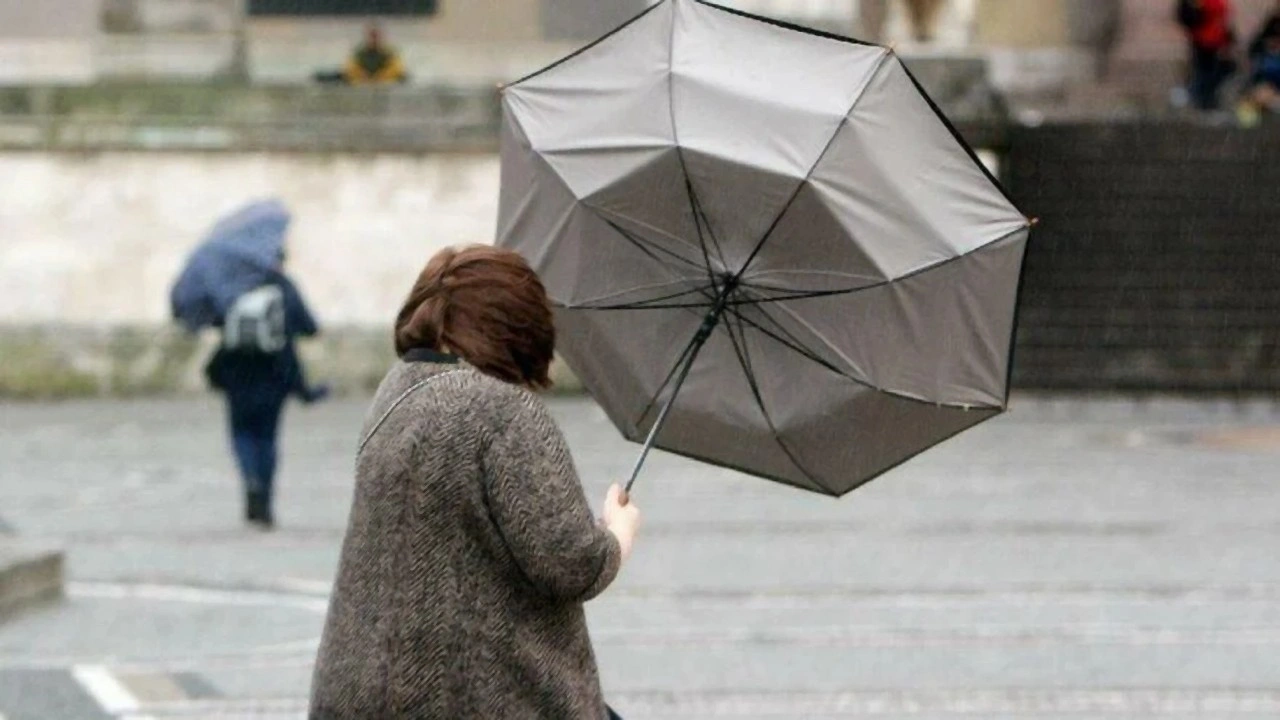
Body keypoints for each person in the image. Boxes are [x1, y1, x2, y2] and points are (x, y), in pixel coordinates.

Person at [309, 246, 641, 719]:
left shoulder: (396, 391)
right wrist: (618, 532)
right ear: (518, 327)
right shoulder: (499, 410)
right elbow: (571, 562)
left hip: (359, 692)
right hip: (471, 697)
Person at [205, 252, 328, 530]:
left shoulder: (233, 286)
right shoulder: (284, 287)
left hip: (238, 375)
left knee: (241, 434)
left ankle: (250, 479)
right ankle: (266, 501)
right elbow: (309, 327)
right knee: (268, 438)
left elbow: (215, 321)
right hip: (275, 373)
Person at [1177, 0, 1237, 110]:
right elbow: (1188, 16)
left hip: (1217, 40)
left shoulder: (1217, 4)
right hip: (1203, 41)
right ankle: (1200, 98)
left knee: (1224, 69)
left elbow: (1224, 21)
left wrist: (1228, 41)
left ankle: (1203, 96)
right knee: (1204, 70)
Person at [314, 23, 408, 85]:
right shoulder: (360, 53)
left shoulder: (389, 53)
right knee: (332, 76)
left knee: (405, 77)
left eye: (376, 36)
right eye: (371, 36)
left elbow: (396, 69)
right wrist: (363, 79)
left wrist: (378, 80)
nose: (374, 39)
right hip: (361, 81)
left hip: (382, 82)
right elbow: (351, 68)